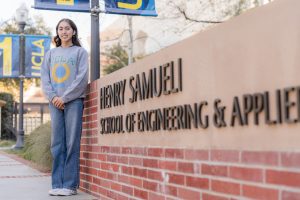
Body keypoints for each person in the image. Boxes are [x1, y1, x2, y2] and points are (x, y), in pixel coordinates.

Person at [41, 18, 88, 196]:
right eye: (60, 29)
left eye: (67, 28)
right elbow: (45, 78)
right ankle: (57, 184)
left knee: (71, 142)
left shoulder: (80, 52)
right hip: (54, 102)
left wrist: (65, 97)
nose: (64, 31)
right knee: (57, 143)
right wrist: (54, 97)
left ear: (73, 31)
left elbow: (82, 78)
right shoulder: (50, 54)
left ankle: (69, 186)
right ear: (57, 32)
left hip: (74, 101)